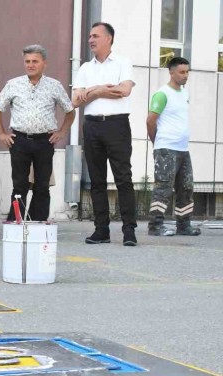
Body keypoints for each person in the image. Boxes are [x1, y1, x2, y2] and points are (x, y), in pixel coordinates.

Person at [0, 44, 75, 222]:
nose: (30, 65)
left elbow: (70, 110)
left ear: (44, 63)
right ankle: (16, 222)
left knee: (42, 185)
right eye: (27, 61)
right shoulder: (13, 84)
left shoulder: (54, 85)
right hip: (19, 140)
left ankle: (38, 222)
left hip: (44, 141)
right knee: (19, 185)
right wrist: (1, 133)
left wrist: (62, 132)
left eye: (35, 61)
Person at [72, 22, 138, 246]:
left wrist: (91, 90)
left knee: (123, 178)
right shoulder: (85, 68)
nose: (90, 40)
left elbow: (124, 90)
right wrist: (101, 89)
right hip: (92, 126)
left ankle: (129, 230)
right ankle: (101, 230)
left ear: (109, 38)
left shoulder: (122, 62)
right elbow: (75, 100)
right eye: (90, 36)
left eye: (95, 36)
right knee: (96, 180)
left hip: (117, 125)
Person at [146, 57, 201, 237]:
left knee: (186, 187)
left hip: (183, 149)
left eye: (187, 72)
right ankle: (155, 226)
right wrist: (157, 142)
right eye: (181, 72)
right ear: (171, 72)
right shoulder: (162, 94)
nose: (185, 75)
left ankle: (184, 225)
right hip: (166, 148)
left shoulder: (184, 93)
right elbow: (150, 121)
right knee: (163, 187)